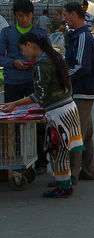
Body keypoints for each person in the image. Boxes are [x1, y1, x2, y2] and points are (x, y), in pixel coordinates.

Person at [0, 33, 84, 198]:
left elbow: (40, 95)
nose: (23, 53)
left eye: (22, 49)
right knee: (61, 151)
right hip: (68, 107)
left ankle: (64, 188)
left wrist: (15, 104)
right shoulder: (54, 57)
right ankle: (64, 184)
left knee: (57, 151)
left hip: (59, 113)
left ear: (30, 44)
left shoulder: (41, 65)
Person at [0, 0, 49, 173]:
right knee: (12, 121)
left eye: (27, 15)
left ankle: (41, 160)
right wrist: (13, 62)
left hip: (33, 81)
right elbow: (0, 56)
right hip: (12, 81)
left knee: (38, 120)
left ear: (32, 15)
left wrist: (35, 61)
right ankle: (16, 158)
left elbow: (48, 55)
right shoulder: (6, 33)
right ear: (15, 16)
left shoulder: (40, 33)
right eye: (21, 16)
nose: (24, 19)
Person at [62, 1, 94, 183]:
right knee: (86, 133)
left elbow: (82, 67)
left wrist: (62, 77)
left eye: (65, 15)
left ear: (74, 15)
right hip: (81, 91)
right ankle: (89, 170)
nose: (64, 19)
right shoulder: (77, 36)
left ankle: (72, 174)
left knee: (76, 134)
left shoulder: (83, 37)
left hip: (82, 92)